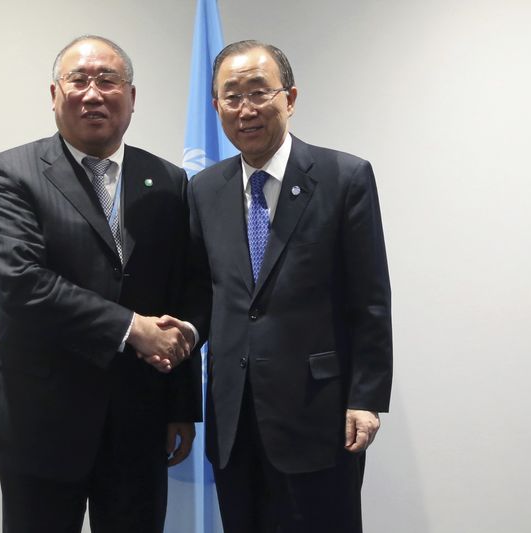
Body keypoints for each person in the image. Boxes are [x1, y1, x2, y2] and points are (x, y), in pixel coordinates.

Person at [0, 35, 201, 533]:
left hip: (140, 423)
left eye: (108, 80)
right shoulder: (13, 173)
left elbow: (182, 295)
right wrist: (130, 328)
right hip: (42, 422)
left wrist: (180, 407)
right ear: (55, 94)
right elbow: (21, 284)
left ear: (132, 98)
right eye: (78, 80)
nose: (92, 93)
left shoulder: (168, 180)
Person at [184, 40, 393, 533]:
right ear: (215, 107)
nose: (246, 109)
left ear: (290, 98)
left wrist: (366, 397)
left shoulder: (344, 178)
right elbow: (200, 297)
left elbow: (371, 302)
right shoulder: (203, 190)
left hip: (318, 418)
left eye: (259, 92)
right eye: (231, 97)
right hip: (234, 420)